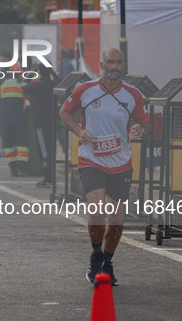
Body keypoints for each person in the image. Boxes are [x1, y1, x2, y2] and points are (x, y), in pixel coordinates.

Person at [60, 47, 150, 286]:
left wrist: (141, 129)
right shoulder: (85, 90)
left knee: (117, 220)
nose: (114, 67)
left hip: (121, 162)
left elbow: (145, 122)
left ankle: (107, 261)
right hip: (91, 159)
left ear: (123, 65)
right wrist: (79, 130)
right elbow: (65, 112)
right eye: (109, 62)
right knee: (97, 208)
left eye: (118, 63)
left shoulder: (133, 95)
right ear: (101, 65)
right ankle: (96, 254)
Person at [0, 65, 30, 177]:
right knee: (22, 144)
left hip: (5, 119)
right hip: (19, 118)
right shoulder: (21, 85)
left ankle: (13, 169)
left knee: (9, 145)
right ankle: (22, 169)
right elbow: (28, 97)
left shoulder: (3, 85)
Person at [23, 63, 55, 187]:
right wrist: (52, 72)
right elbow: (62, 82)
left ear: (40, 72)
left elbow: (23, 85)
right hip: (52, 121)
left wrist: (31, 71)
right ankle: (50, 177)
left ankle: (47, 179)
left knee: (44, 151)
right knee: (50, 149)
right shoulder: (53, 84)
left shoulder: (36, 85)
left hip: (40, 122)